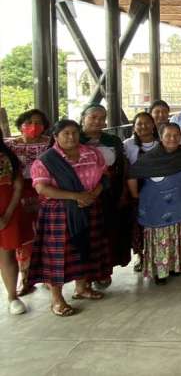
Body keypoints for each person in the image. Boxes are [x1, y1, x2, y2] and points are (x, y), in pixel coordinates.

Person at [29, 120, 110, 316]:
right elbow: (42, 188)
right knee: (58, 256)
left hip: (89, 205)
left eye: (74, 132)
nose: (71, 137)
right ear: (55, 137)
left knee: (85, 247)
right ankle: (57, 299)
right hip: (59, 210)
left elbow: (104, 177)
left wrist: (92, 195)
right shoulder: (47, 160)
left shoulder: (91, 153)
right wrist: (76, 196)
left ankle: (82, 288)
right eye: (66, 133)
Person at [128, 124, 181, 285]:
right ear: (160, 137)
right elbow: (132, 174)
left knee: (178, 236)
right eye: (168, 135)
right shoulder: (149, 158)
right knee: (162, 239)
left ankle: (174, 266)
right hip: (158, 209)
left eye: (176, 135)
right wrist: (135, 194)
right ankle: (160, 272)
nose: (172, 139)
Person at [78, 104, 128, 290]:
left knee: (106, 233)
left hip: (108, 193)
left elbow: (122, 167)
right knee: (83, 234)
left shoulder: (112, 140)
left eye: (102, 118)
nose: (98, 121)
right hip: (80, 195)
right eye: (93, 117)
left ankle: (103, 272)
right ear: (83, 117)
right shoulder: (73, 137)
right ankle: (83, 278)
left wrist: (123, 192)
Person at [5, 109, 51, 296]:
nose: (33, 126)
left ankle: (49, 278)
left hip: (45, 190)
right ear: (20, 125)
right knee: (23, 239)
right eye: (28, 122)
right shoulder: (9, 146)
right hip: (18, 192)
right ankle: (26, 279)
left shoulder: (50, 143)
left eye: (38, 122)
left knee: (46, 234)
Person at [121, 112, 159, 272]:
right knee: (139, 224)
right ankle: (141, 257)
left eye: (147, 123)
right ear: (134, 127)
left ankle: (156, 255)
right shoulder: (127, 145)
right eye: (139, 124)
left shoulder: (161, 142)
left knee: (156, 224)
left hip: (158, 190)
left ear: (153, 125)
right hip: (136, 189)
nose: (143, 126)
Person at [0, 129, 27, 314]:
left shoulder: (7, 155)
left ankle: (12, 297)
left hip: (7, 208)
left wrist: (8, 214)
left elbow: (18, 185)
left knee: (7, 255)